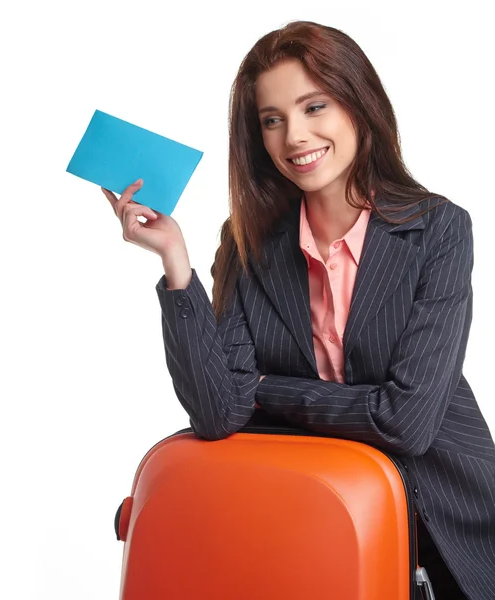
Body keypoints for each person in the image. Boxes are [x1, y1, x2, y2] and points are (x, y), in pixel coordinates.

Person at [101, 20, 495, 600]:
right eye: (272, 120)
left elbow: (406, 423)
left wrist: (263, 387)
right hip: (314, 512)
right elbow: (217, 412)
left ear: (358, 105)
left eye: (315, 106)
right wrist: (175, 263)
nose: (295, 137)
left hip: (445, 512)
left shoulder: (437, 228)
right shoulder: (247, 242)